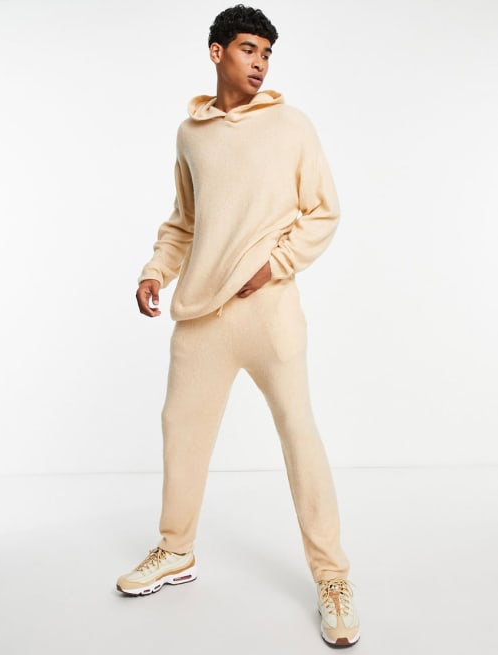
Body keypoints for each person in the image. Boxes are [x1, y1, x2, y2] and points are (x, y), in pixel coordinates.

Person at [116, 4, 360, 648]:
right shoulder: (191, 135)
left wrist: (274, 265)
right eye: (249, 49)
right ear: (217, 52)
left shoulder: (291, 125)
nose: (260, 63)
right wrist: (155, 270)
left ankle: (333, 578)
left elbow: (324, 211)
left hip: (270, 313)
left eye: (268, 54)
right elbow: (185, 221)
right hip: (201, 317)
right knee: (181, 430)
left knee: (298, 433)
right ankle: (176, 549)